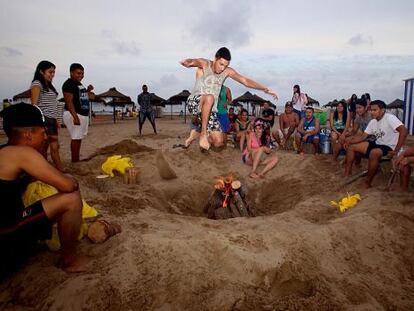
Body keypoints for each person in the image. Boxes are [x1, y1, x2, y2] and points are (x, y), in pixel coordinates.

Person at [0, 104, 90, 278]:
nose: (46, 135)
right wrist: (71, 179)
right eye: (42, 132)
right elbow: (67, 186)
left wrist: (42, 148)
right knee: (71, 199)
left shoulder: (6, 152)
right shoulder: (23, 153)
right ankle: (70, 261)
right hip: (5, 240)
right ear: (28, 135)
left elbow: (36, 176)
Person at [180, 47, 278, 151]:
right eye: (221, 64)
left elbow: (245, 81)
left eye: (226, 66)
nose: (222, 68)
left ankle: (196, 136)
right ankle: (203, 134)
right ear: (215, 59)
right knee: (210, 97)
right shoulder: (205, 64)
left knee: (219, 142)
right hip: (195, 102)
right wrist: (188, 62)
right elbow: (195, 61)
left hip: (210, 110)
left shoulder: (227, 71)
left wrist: (265, 89)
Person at [344, 100, 408, 188]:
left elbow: (404, 131)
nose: (372, 112)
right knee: (352, 147)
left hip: (390, 146)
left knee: (374, 153)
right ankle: (347, 173)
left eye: (375, 110)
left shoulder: (389, 118)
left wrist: (396, 151)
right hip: (378, 144)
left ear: (382, 110)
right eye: (371, 110)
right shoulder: (373, 122)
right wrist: (349, 141)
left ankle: (367, 182)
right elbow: (363, 137)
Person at [30, 60, 63, 171]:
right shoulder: (37, 84)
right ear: (41, 71)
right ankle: (49, 170)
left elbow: (55, 104)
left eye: (53, 72)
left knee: (54, 146)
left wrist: (57, 119)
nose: (52, 75)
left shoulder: (49, 86)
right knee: (44, 147)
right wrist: (40, 124)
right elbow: (34, 105)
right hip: (44, 120)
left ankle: (58, 169)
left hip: (51, 120)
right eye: (50, 72)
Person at [62, 63, 95, 162]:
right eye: (78, 73)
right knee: (76, 137)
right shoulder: (69, 84)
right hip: (74, 114)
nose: (81, 76)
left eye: (82, 74)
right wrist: (75, 117)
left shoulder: (79, 84)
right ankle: (75, 160)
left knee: (79, 137)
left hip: (81, 114)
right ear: (71, 73)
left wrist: (88, 90)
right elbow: (69, 101)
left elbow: (82, 96)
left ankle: (76, 159)